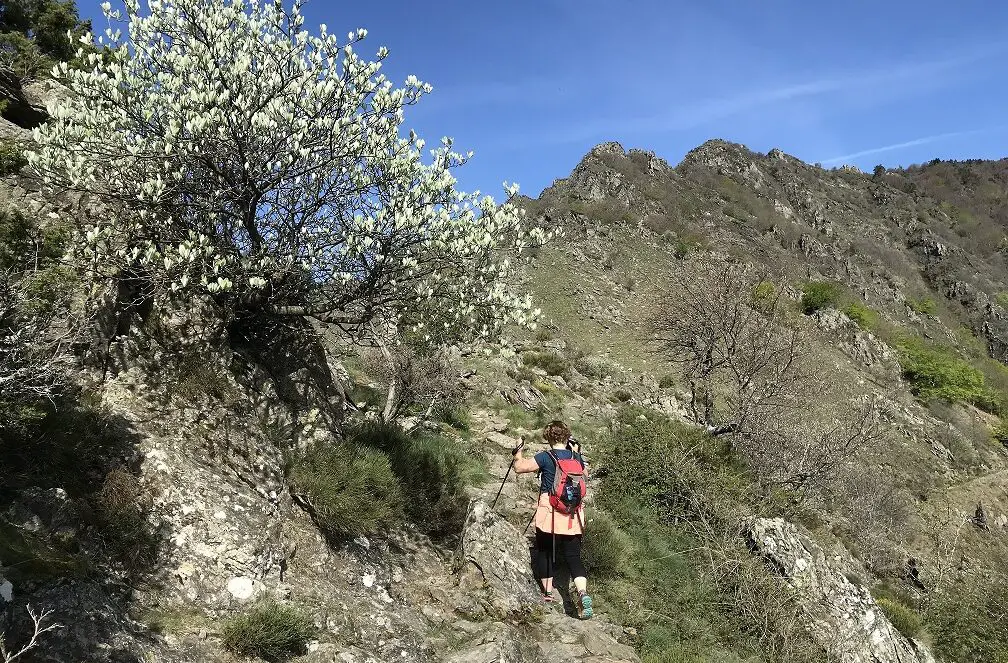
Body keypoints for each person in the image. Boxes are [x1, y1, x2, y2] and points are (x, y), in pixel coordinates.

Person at [512, 419, 592, 619]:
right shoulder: (576, 457)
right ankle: (582, 592)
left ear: (548, 437)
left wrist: (518, 451)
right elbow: (585, 474)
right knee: (573, 556)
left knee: (545, 551)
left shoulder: (546, 457)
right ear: (567, 437)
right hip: (573, 514)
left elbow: (520, 468)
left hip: (550, 512)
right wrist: (577, 452)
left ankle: (548, 593)